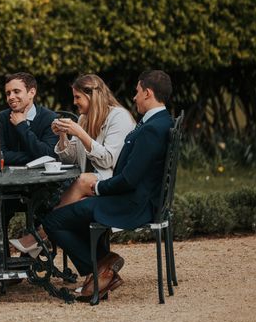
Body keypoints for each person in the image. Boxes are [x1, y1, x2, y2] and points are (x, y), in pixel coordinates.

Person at [42, 70, 174, 301]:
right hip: (136, 197)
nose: (134, 97)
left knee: (54, 220)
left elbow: (128, 178)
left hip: (133, 204)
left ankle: (102, 264)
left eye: (137, 92)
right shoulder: (160, 123)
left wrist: (99, 189)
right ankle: (103, 267)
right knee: (71, 212)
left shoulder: (151, 128)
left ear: (148, 93)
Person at [11, 74, 136, 252]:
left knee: (79, 185)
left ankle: (39, 235)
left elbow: (109, 159)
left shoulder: (118, 117)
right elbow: (70, 159)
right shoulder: (85, 118)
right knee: (65, 208)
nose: (75, 102)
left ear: (92, 95)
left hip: (116, 184)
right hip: (92, 186)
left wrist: (80, 133)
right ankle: (100, 264)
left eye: (78, 97)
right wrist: (62, 136)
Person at [0, 72, 60, 259]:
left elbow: (49, 155)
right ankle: (3, 260)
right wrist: (33, 153)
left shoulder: (48, 118)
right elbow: (2, 154)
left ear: (31, 92)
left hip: (42, 188)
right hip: (11, 186)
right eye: (8, 93)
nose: (11, 97)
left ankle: (28, 259)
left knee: (45, 208)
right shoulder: (2, 117)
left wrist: (23, 126)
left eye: (16, 91)